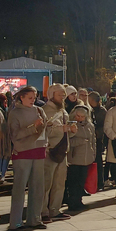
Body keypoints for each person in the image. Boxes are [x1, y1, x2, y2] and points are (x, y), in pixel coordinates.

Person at [7, 86, 49, 231]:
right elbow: (15, 135)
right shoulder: (15, 113)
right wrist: (33, 127)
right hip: (23, 152)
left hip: (39, 150)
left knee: (38, 187)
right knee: (19, 188)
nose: (33, 100)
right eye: (30, 98)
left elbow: (45, 129)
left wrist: (46, 128)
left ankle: (35, 218)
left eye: (34, 97)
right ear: (22, 97)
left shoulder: (39, 110)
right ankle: (16, 221)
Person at [41, 85, 75, 222]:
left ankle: (55, 210)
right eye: (60, 94)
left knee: (59, 183)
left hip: (62, 151)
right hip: (50, 151)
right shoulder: (44, 110)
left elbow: (65, 131)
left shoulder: (63, 111)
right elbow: (44, 130)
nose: (62, 97)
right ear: (51, 95)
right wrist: (62, 129)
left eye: (63, 95)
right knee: (46, 184)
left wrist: (71, 131)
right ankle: (43, 211)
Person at [66, 104, 95, 210]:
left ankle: (79, 201)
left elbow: (93, 140)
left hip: (86, 158)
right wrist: (80, 142)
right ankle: (73, 202)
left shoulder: (90, 125)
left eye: (82, 117)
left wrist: (93, 153)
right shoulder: (71, 125)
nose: (80, 118)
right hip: (74, 158)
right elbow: (68, 141)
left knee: (81, 182)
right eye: (78, 116)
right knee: (73, 182)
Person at [88, 91, 108, 189]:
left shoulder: (102, 111)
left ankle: (100, 182)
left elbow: (104, 126)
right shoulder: (89, 110)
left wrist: (97, 133)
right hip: (90, 139)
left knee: (98, 161)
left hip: (98, 139)